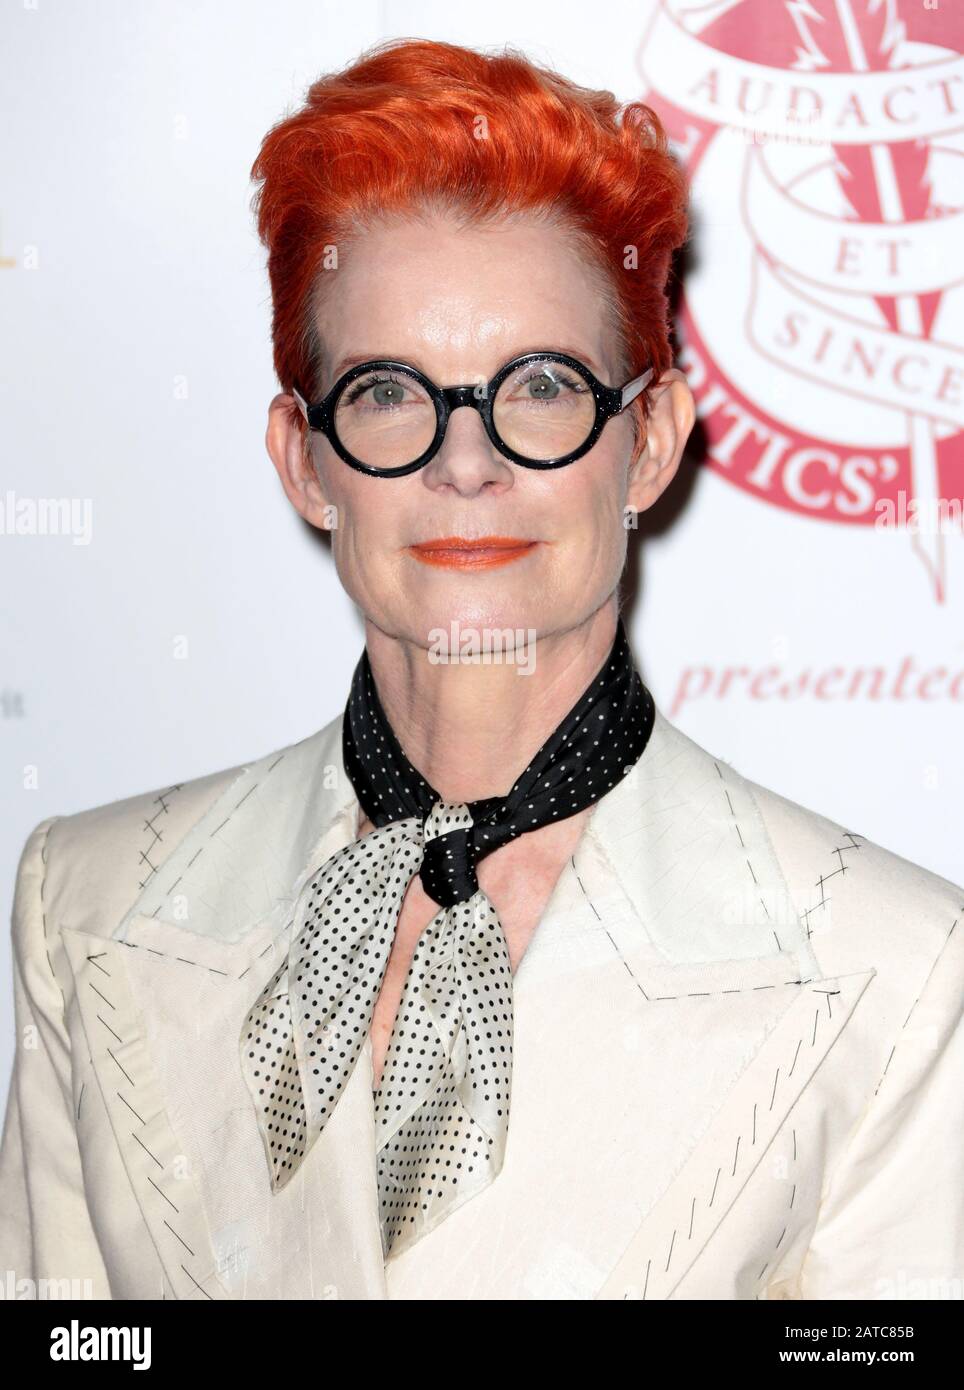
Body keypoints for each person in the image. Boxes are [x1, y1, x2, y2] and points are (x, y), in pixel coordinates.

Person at [1, 37, 961, 1302]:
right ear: (303, 460)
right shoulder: (88, 902)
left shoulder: (894, 970)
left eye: (544, 385)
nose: (467, 465)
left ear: (651, 442)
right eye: (392, 391)